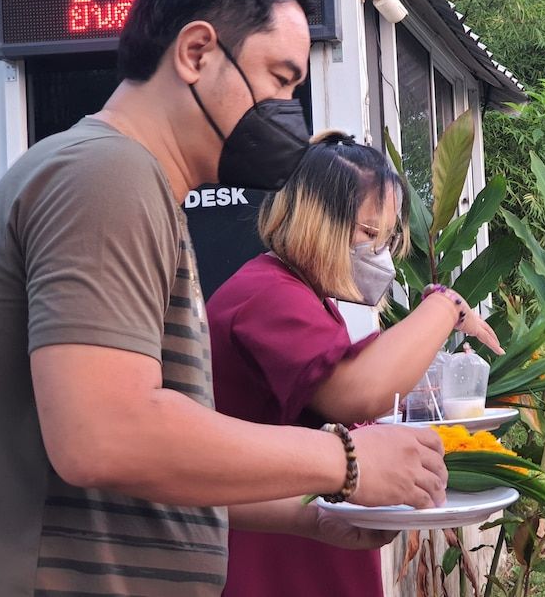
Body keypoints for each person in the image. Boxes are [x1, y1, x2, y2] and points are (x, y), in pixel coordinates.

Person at [0, 0, 447, 596]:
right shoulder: (107, 174)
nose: (288, 110)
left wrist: (309, 518)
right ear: (197, 52)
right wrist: (344, 459)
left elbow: (144, 471)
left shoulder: (126, 184)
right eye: (279, 78)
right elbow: (103, 436)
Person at [206, 130, 501, 597]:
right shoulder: (267, 295)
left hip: (307, 544)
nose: (378, 255)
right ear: (315, 220)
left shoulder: (301, 296)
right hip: (273, 571)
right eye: (367, 234)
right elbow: (355, 392)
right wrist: (442, 306)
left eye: (384, 239)